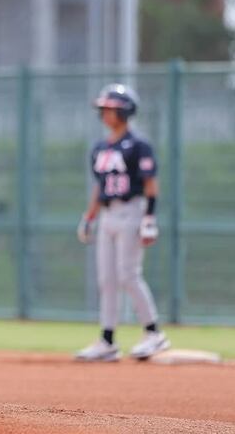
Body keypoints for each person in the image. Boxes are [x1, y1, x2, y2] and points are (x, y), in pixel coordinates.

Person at [75, 83, 170, 362]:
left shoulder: (138, 145)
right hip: (108, 213)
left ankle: (154, 333)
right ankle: (107, 340)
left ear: (125, 111)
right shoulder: (100, 148)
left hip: (132, 209)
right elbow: (99, 186)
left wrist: (150, 217)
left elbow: (151, 183)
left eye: (111, 108)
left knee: (128, 273)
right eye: (104, 109)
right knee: (107, 279)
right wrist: (89, 216)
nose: (105, 113)